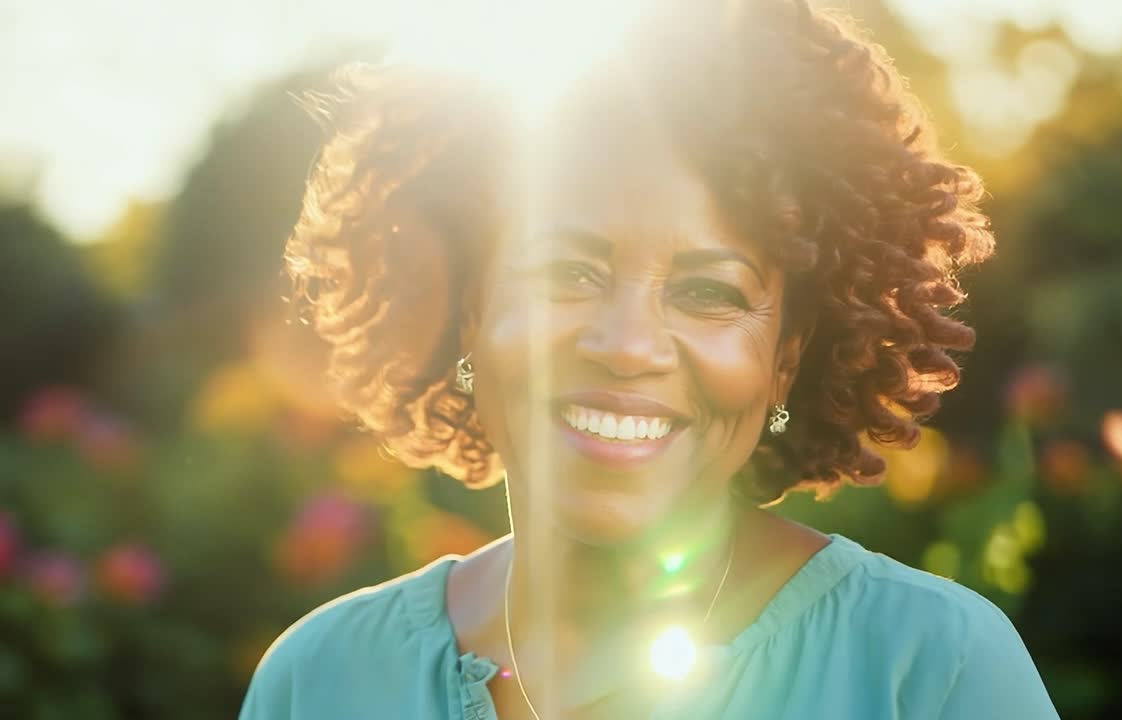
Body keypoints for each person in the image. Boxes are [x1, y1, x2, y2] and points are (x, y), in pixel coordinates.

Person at [241, 0, 1059, 717]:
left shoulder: (929, 672)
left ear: (784, 360)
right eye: (567, 273)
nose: (627, 345)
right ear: (466, 317)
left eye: (709, 293)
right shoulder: (321, 679)